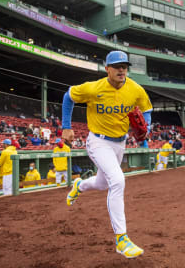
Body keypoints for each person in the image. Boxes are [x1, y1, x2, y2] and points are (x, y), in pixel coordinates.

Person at [62, 50, 152, 259]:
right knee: (118, 181)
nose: (122, 69)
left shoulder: (135, 89)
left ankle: (79, 186)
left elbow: (146, 108)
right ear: (107, 69)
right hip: (98, 141)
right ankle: (122, 239)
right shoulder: (93, 88)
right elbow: (69, 96)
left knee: (103, 184)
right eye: (117, 66)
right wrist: (66, 126)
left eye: (125, 66)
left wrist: (146, 127)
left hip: (120, 144)